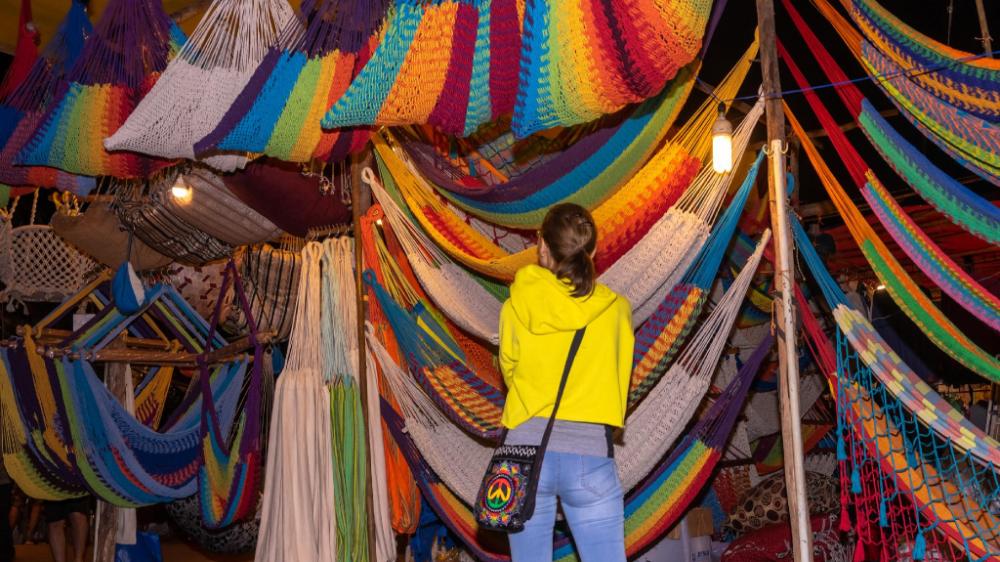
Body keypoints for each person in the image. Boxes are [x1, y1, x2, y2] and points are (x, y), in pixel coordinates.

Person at [499, 203, 633, 562]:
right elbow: (619, 380)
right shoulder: (616, 309)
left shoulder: (515, 305)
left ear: (542, 246)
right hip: (589, 452)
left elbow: (510, 373)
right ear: (592, 252)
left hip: (525, 452)